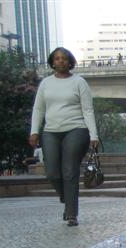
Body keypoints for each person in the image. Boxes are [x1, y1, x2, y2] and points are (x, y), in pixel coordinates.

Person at [29, 47, 99, 227]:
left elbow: (88, 110)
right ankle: (65, 196)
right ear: (52, 62)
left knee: (69, 171)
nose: (60, 61)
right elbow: (39, 109)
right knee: (52, 172)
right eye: (57, 58)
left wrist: (94, 134)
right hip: (51, 131)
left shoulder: (79, 82)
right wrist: (34, 131)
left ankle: (71, 213)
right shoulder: (46, 83)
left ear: (70, 62)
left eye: (64, 58)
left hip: (76, 129)